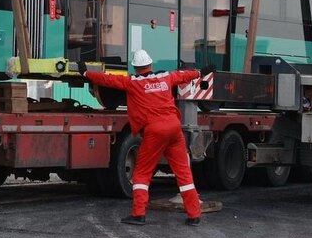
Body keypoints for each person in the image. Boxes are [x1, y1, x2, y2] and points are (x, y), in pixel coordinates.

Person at [80, 49, 213, 226]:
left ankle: (138, 214)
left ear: (135, 67)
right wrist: (201, 72)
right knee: (184, 173)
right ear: (150, 64)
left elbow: (107, 79)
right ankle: (194, 215)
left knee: (142, 173)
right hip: (174, 128)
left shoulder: (133, 82)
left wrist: (86, 72)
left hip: (154, 131)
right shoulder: (165, 77)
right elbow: (183, 76)